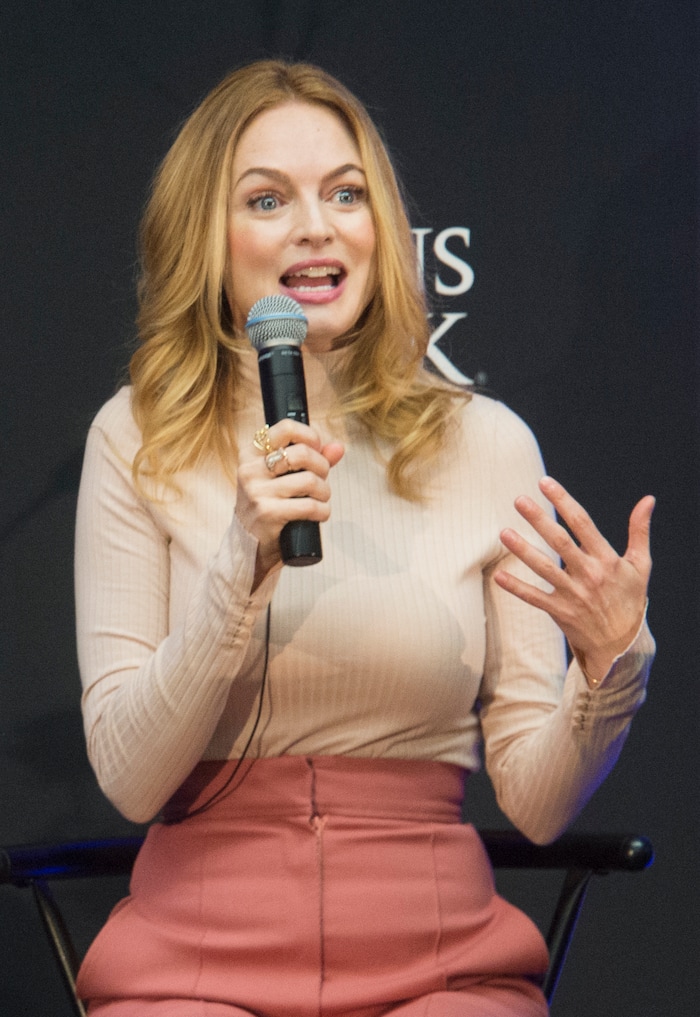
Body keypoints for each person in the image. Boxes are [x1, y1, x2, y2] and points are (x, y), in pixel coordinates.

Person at [74, 60, 655, 1017]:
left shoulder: (486, 442)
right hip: (195, 959)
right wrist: (238, 565)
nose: (317, 225)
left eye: (346, 193)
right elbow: (133, 781)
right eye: (268, 199)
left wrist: (610, 664)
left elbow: (540, 802)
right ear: (206, 243)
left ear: (380, 227)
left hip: (438, 960)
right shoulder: (135, 437)